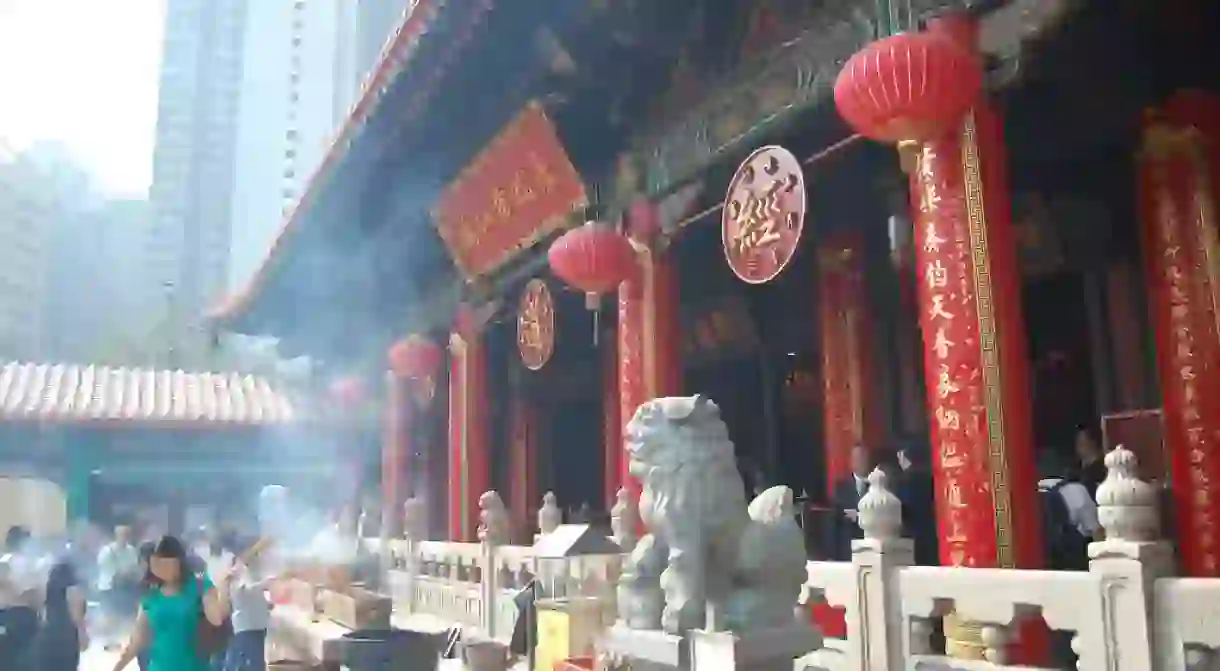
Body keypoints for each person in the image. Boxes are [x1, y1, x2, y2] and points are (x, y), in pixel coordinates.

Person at [110, 535, 233, 671]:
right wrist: (117, 667)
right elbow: (138, 640)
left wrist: (224, 586)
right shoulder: (151, 596)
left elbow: (216, 619)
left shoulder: (201, 587)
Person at [1038, 451, 1100, 572]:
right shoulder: (1077, 490)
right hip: (1072, 563)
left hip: (1042, 562)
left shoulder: (1031, 492)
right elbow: (1096, 531)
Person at [26, 557, 89, 671]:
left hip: (47, 636)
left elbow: (39, 614)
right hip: (67, 639)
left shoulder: (45, 590)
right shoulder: (74, 592)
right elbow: (77, 618)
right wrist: (83, 637)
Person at [222, 538, 272, 671]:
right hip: (246, 629)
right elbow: (247, 589)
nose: (257, 557)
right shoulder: (236, 570)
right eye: (254, 553)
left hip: (259, 627)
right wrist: (269, 583)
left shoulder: (254, 571)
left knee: (257, 665)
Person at [1, 526, 41, 668]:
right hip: (24, 616)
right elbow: (34, 594)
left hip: (3, 616)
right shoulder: (27, 563)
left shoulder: (2, 561)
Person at [896, 440, 939, 566]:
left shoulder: (906, 480)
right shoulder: (929, 477)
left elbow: (903, 509)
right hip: (932, 533)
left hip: (913, 536)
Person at [828, 445, 874, 561]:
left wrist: (859, 516)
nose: (861, 462)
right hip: (848, 551)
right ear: (851, 462)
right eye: (857, 458)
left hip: (871, 549)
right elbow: (834, 522)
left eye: (864, 458)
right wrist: (832, 555)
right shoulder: (841, 488)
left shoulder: (876, 486)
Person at [97, 526, 141, 646]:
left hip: (125, 588)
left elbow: (134, 567)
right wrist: (123, 572)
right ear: (116, 535)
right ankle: (108, 641)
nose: (124, 537)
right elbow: (108, 570)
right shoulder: (107, 551)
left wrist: (130, 574)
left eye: (127, 535)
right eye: (122, 534)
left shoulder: (131, 551)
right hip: (109, 588)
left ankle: (124, 640)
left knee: (126, 615)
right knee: (110, 614)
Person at [1073, 425, 1108, 499]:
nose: (1077, 446)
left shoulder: (1103, 467)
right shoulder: (1076, 468)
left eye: (1081, 442)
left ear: (1093, 442)